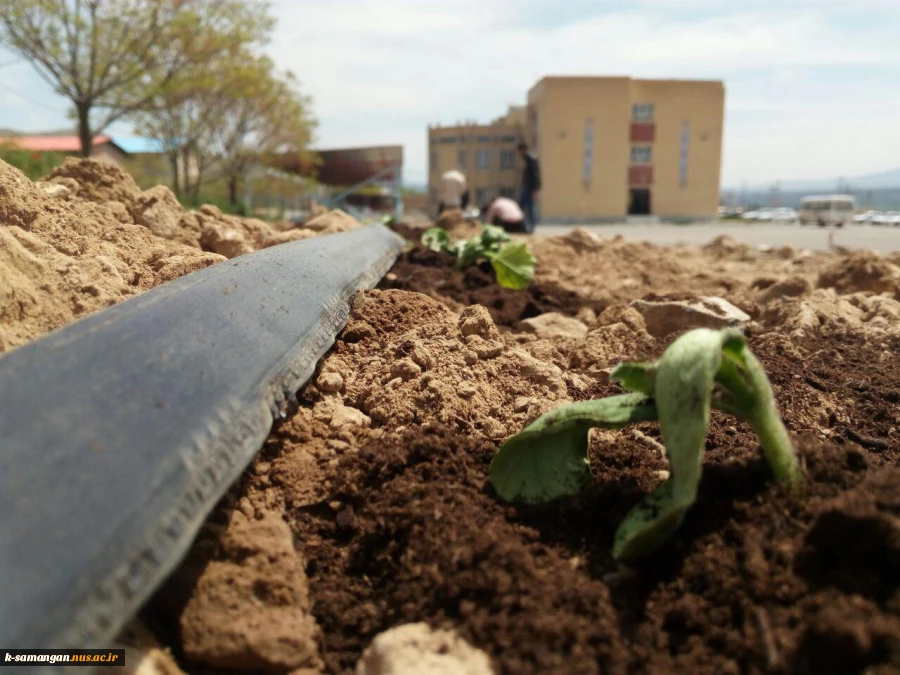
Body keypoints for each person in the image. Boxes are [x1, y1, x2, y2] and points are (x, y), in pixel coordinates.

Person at [517, 142, 541, 233]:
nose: (520, 154)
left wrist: (535, 189)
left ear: (524, 150)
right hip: (527, 188)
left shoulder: (531, 160)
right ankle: (525, 226)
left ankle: (531, 228)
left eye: (520, 151)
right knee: (522, 207)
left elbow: (536, 176)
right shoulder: (527, 160)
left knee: (530, 208)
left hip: (530, 189)